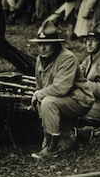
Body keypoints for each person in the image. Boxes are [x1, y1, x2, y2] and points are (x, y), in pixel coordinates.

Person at [29, 20, 94, 160]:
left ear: (56, 44)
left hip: (79, 100)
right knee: (44, 102)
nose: (42, 48)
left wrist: (39, 95)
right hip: (62, 99)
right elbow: (40, 86)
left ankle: (52, 148)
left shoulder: (67, 58)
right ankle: (77, 134)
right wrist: (38, 98)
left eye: (47, 44)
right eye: (40, 44)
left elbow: (60, 88)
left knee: (48, 102)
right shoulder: (40, 59)